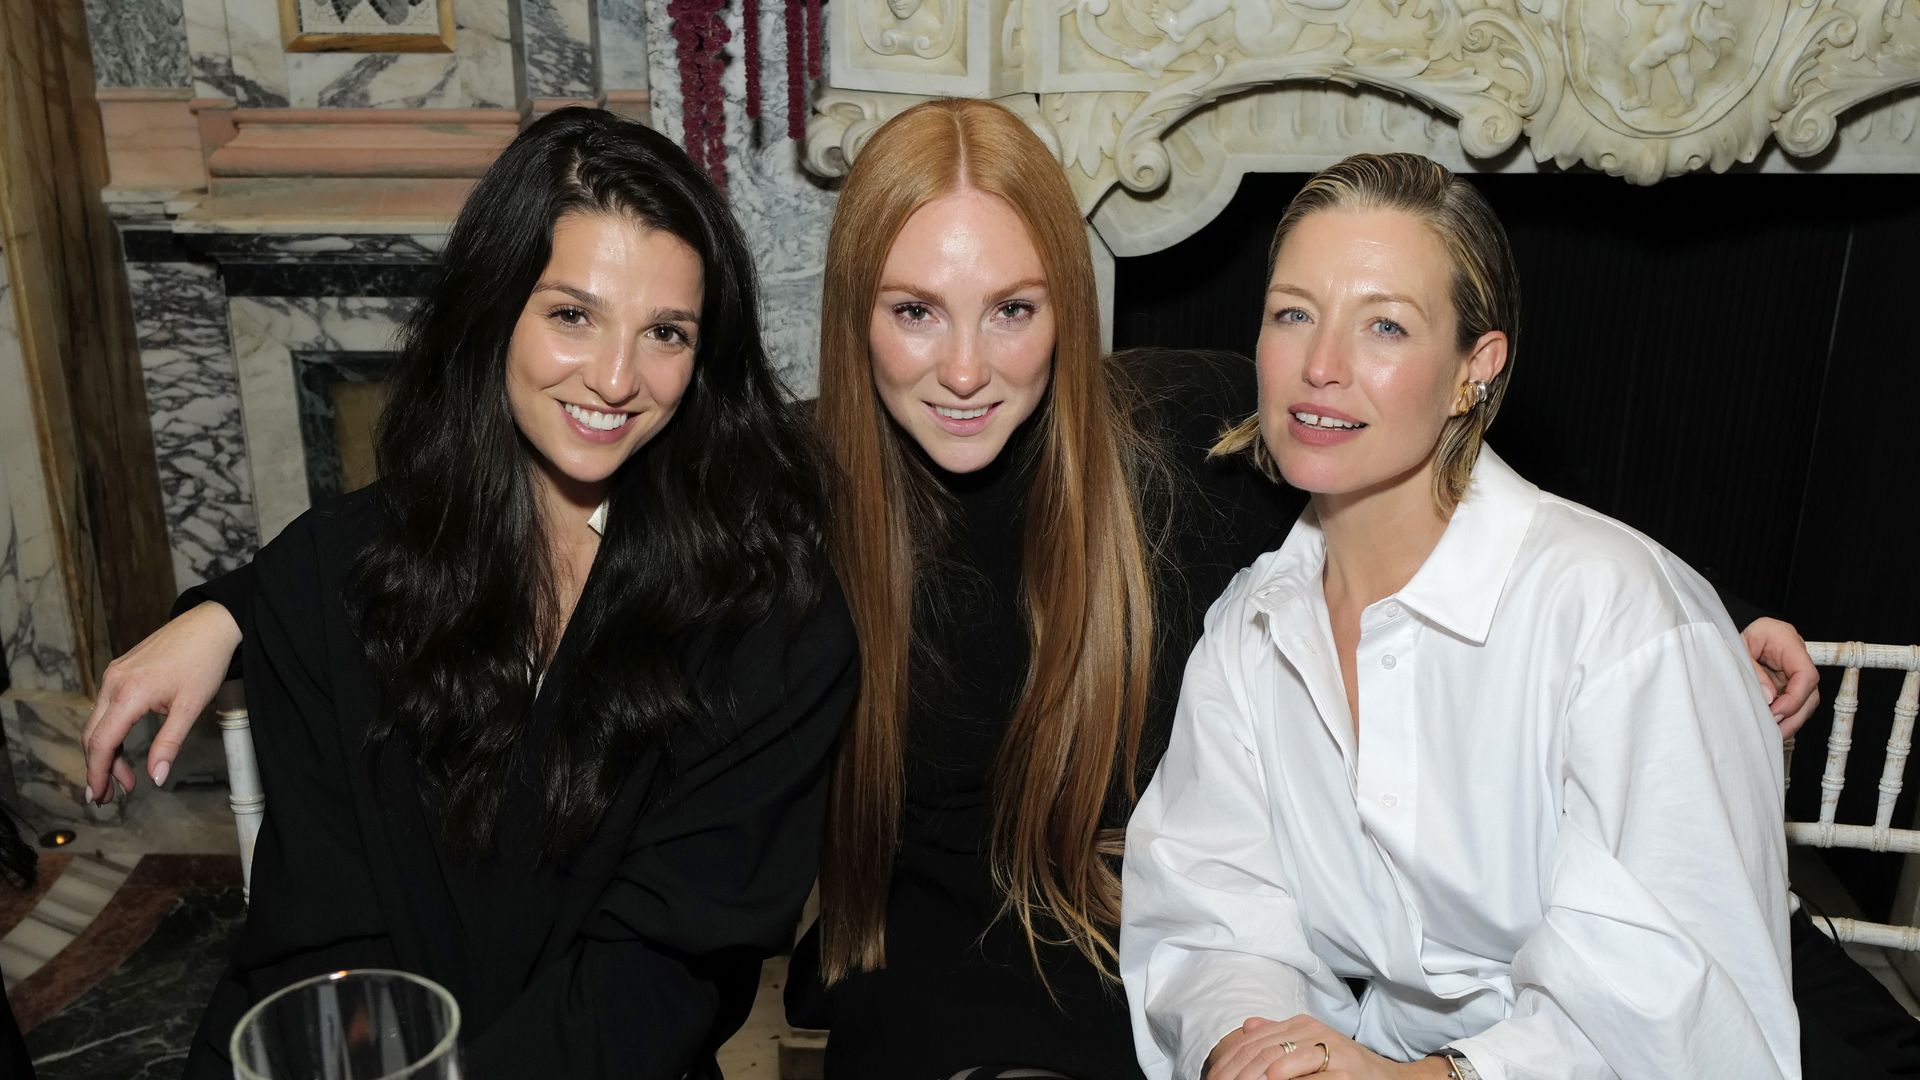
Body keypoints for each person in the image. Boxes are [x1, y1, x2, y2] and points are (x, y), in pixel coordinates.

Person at [83, 101, 1818, 1078]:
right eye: (916, 310)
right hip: (894, 978)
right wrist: (230, 598)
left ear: (1074, 306)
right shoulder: (773, 477)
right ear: (855, 317)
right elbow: (481, 486)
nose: (969, 368)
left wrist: (1694, 620)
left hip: (1126, 961)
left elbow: (1425, 448)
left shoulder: (1184, 445)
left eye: (1014, 310)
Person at [170, 108, 857, 1078]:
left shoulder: (772, 624)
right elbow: (320, 927)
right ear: (496, 310)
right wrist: (224, 611)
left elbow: (663, 974)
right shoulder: (335, 577)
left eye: (665, 332)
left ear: (706, 358)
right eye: (572, 314)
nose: (616, 379)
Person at [1117, 152, 1811, 1079]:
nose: (1321, 366)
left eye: (1386, 327)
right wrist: (1259, 1050)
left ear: (1472, 372)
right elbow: (1213, 911)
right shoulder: (1252, 629)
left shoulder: (1621, 619)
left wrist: (1427, 1079)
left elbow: (1683, 1000)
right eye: (1294, 313)